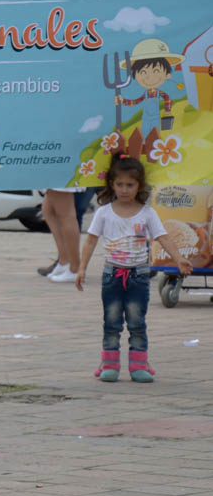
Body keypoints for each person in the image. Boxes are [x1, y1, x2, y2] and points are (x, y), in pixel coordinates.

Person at [75, 156, 192, 382]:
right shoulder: (104, 212)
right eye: (120, 185)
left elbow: (162, 237)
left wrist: (178, 259)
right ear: (112, 185)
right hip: (112, 276)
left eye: (130, 185)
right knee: (111, 321)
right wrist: (82, 268)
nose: (125, 190)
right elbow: (90, 241)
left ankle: (139, 365)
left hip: (138, 276)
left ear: (140, 186)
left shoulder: (147, 213)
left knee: (137, 322)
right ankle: (109, 364)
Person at [40, 189, 82, 283]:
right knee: (48, 210)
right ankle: (64, 261)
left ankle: (74, 269)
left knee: (66, 214)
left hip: (61, 175)